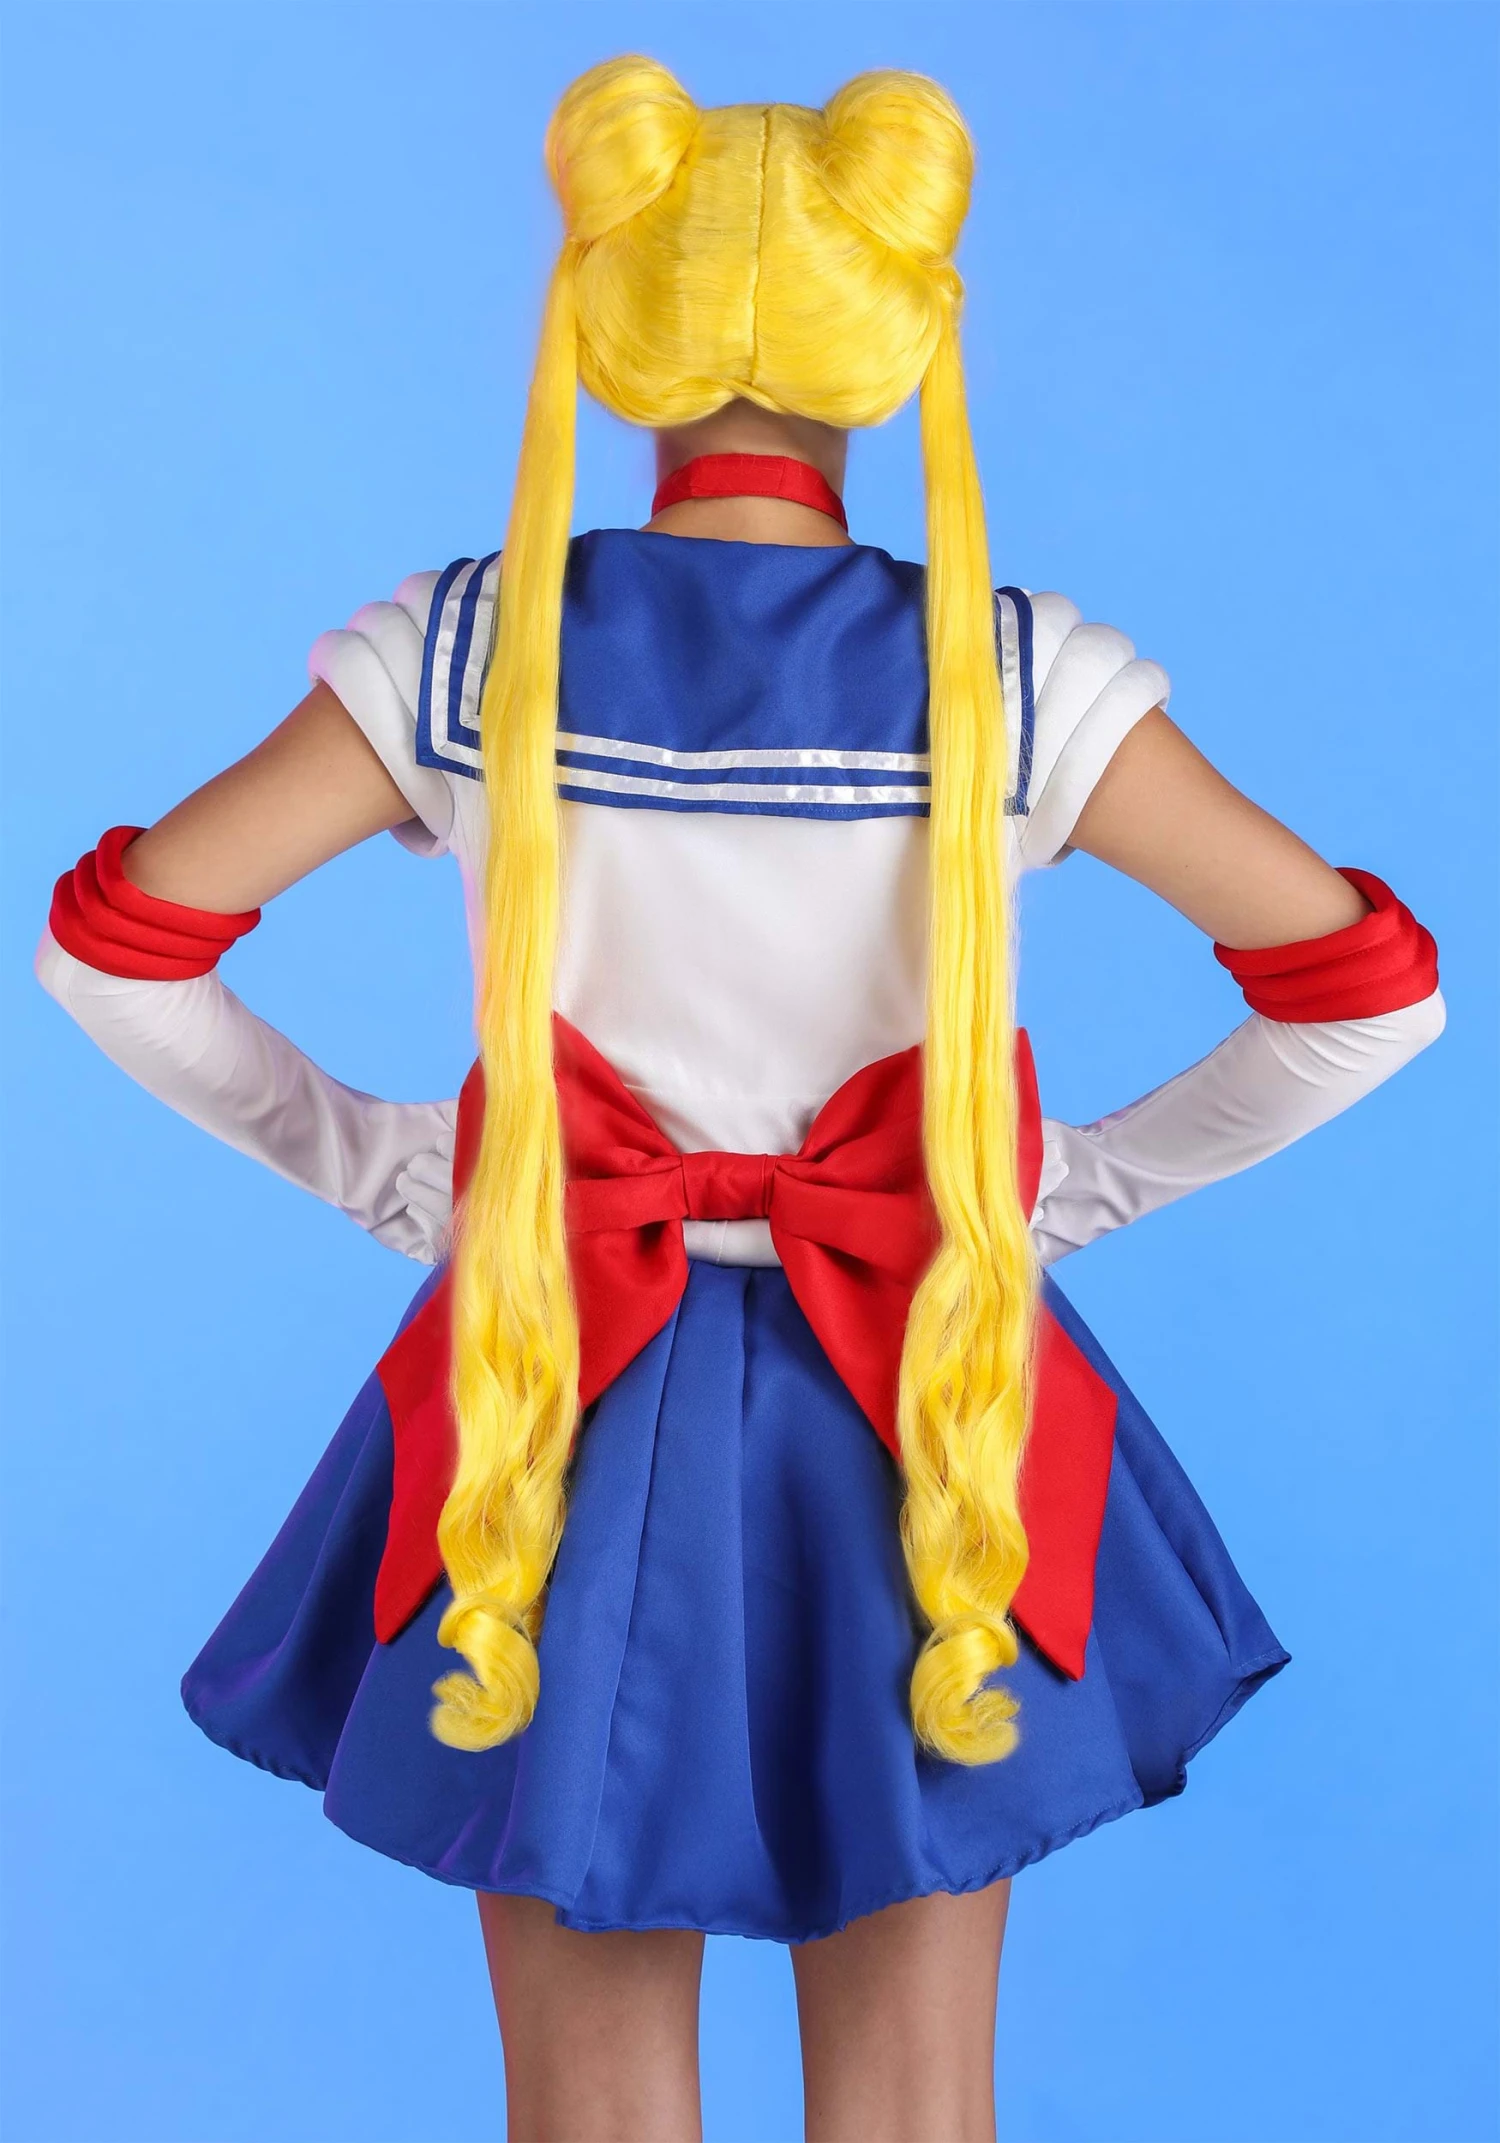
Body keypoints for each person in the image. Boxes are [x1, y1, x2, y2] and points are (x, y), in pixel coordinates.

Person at [35, 56, 1444, 2143]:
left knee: (588, 2111)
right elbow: (1367, 993)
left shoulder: (468, 653)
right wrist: (1057, 1190)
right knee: (916, 2108)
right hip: (932, 1408)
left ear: (616, 323)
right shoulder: (1016, 677)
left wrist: (402, 1178)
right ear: (895, 339)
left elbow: (116, 949)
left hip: (547, 1407)